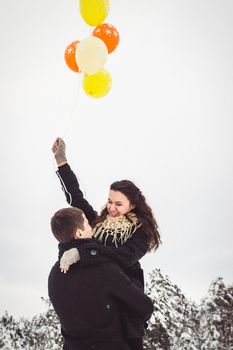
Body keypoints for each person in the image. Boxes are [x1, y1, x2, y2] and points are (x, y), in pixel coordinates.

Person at [52, 137, 161, 350]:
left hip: (124, 308)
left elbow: (126, 257)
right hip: (95, 305)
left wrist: (84, 253)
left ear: (132, 205)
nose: (111, 208)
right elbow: (76, 198)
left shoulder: (141, 232)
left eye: (119, 204)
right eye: (110, 201)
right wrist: (62, 161)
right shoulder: (98, 223)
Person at [48, 207, 154, 350]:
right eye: (87, 223)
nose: (91, 227)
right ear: (79, 233)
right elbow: (144, 306)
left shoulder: (54, 275)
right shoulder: (103, 268)